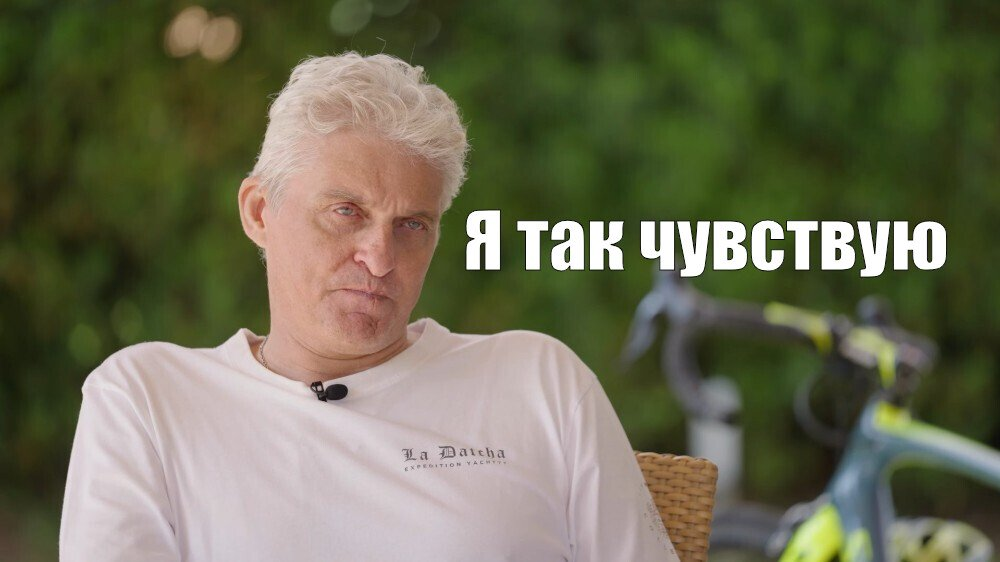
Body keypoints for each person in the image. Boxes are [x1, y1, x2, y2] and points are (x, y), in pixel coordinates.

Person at [59, 52, 679, 562]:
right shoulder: (147, 400)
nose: (380, 258)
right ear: (259, 212)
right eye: (346, 212)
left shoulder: (538, 382)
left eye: (412, 225)